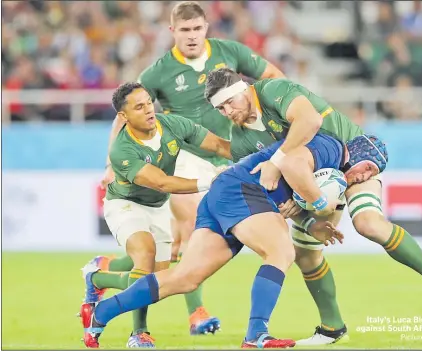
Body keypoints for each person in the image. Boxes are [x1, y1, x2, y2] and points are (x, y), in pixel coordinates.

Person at [81, 132, 388, 349]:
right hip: (242, 191)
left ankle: (102, 313)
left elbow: (284, 198)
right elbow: (292, 167)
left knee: (185, 278)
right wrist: (319, 206)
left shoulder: (327, 165)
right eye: (368, 170)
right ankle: (256, 335)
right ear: (359, 154)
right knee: (281, 251)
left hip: (227, 193)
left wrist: (309, 222)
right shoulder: (333, 148)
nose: (363, 178)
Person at [205, 68, 422, 313]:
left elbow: (310, 120)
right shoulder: (240, 141)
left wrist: (276, 162)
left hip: (349, 159)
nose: (227, 111)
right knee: (305, 254)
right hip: (314, 185)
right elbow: (273, 187)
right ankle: (332, 328)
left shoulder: (274, 90)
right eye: (220, 108)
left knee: (368, 224)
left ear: (245, 89)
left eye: (230, 101)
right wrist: (303, 217)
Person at [98, 2, 285, 335]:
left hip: (230, 153)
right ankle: (196, 312)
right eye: (184, 30)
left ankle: (103, 272)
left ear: (207, 28)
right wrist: (110, 164)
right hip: (184, 155)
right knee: (189, 226)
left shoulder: (230, 51)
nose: (192, 36)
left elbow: (273, 76)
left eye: (197, 29)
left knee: (174, 249)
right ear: (172, 32)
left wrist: (275, 109)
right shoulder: (157, 72)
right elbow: (123, 116)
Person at [79, 82, 230, 348]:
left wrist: (254, 153)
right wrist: (208, 180)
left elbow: (217, 145)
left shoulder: (172, 124)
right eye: (139, 107)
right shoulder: (123, 150)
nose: (149, 109)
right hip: (125, 205)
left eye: (149, 102)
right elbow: (162, 182)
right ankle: (139, 333)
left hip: (157, 207)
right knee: (145, 257)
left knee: (157, 281)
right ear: (124, 117)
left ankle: (97, 277)